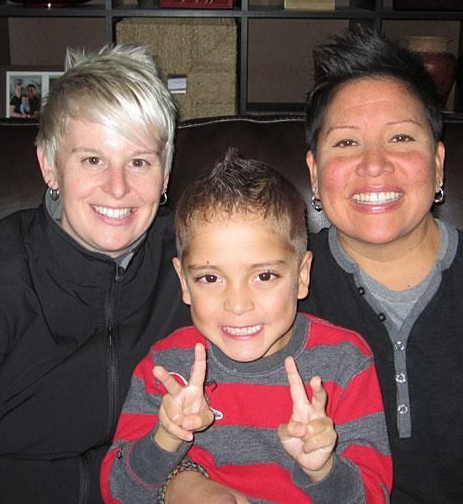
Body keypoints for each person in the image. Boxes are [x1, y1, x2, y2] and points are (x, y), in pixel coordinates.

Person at [0, 44, 191, 503]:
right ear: (50, 165)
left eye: (139, 162)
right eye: (92, 160)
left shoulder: (195, 261)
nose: (118, 188)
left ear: (165, 175)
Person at [300, 25, 463, 502]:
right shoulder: (273, 291)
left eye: (400, 137)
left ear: (438, 163)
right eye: (347, 143)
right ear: (314, 172)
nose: (374, 165)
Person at [100, 151, 392, 503]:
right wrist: (167, 436)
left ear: (301, 276)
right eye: (210, 278)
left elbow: (374, 496)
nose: (237, 304)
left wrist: (322, 470)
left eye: (264, 276)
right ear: (184, 282)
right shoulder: (166, 367)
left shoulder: (345, 362)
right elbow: (118, 492)